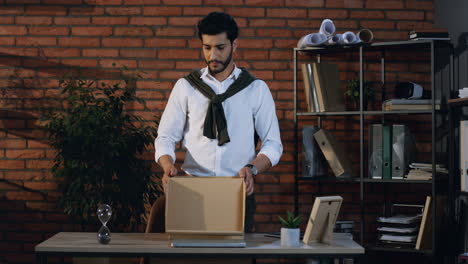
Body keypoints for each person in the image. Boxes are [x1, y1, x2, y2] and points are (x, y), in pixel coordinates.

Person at [151, 11, 283, 233]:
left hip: (238, 190)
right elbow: (165, 136)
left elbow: (273, 144)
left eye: (220, 48)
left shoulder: (255, 89)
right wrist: (167, 166)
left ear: (234, 45)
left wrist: (252, 169)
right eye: (207, 47)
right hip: (192, 190)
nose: (213, 55)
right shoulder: (186, 87)